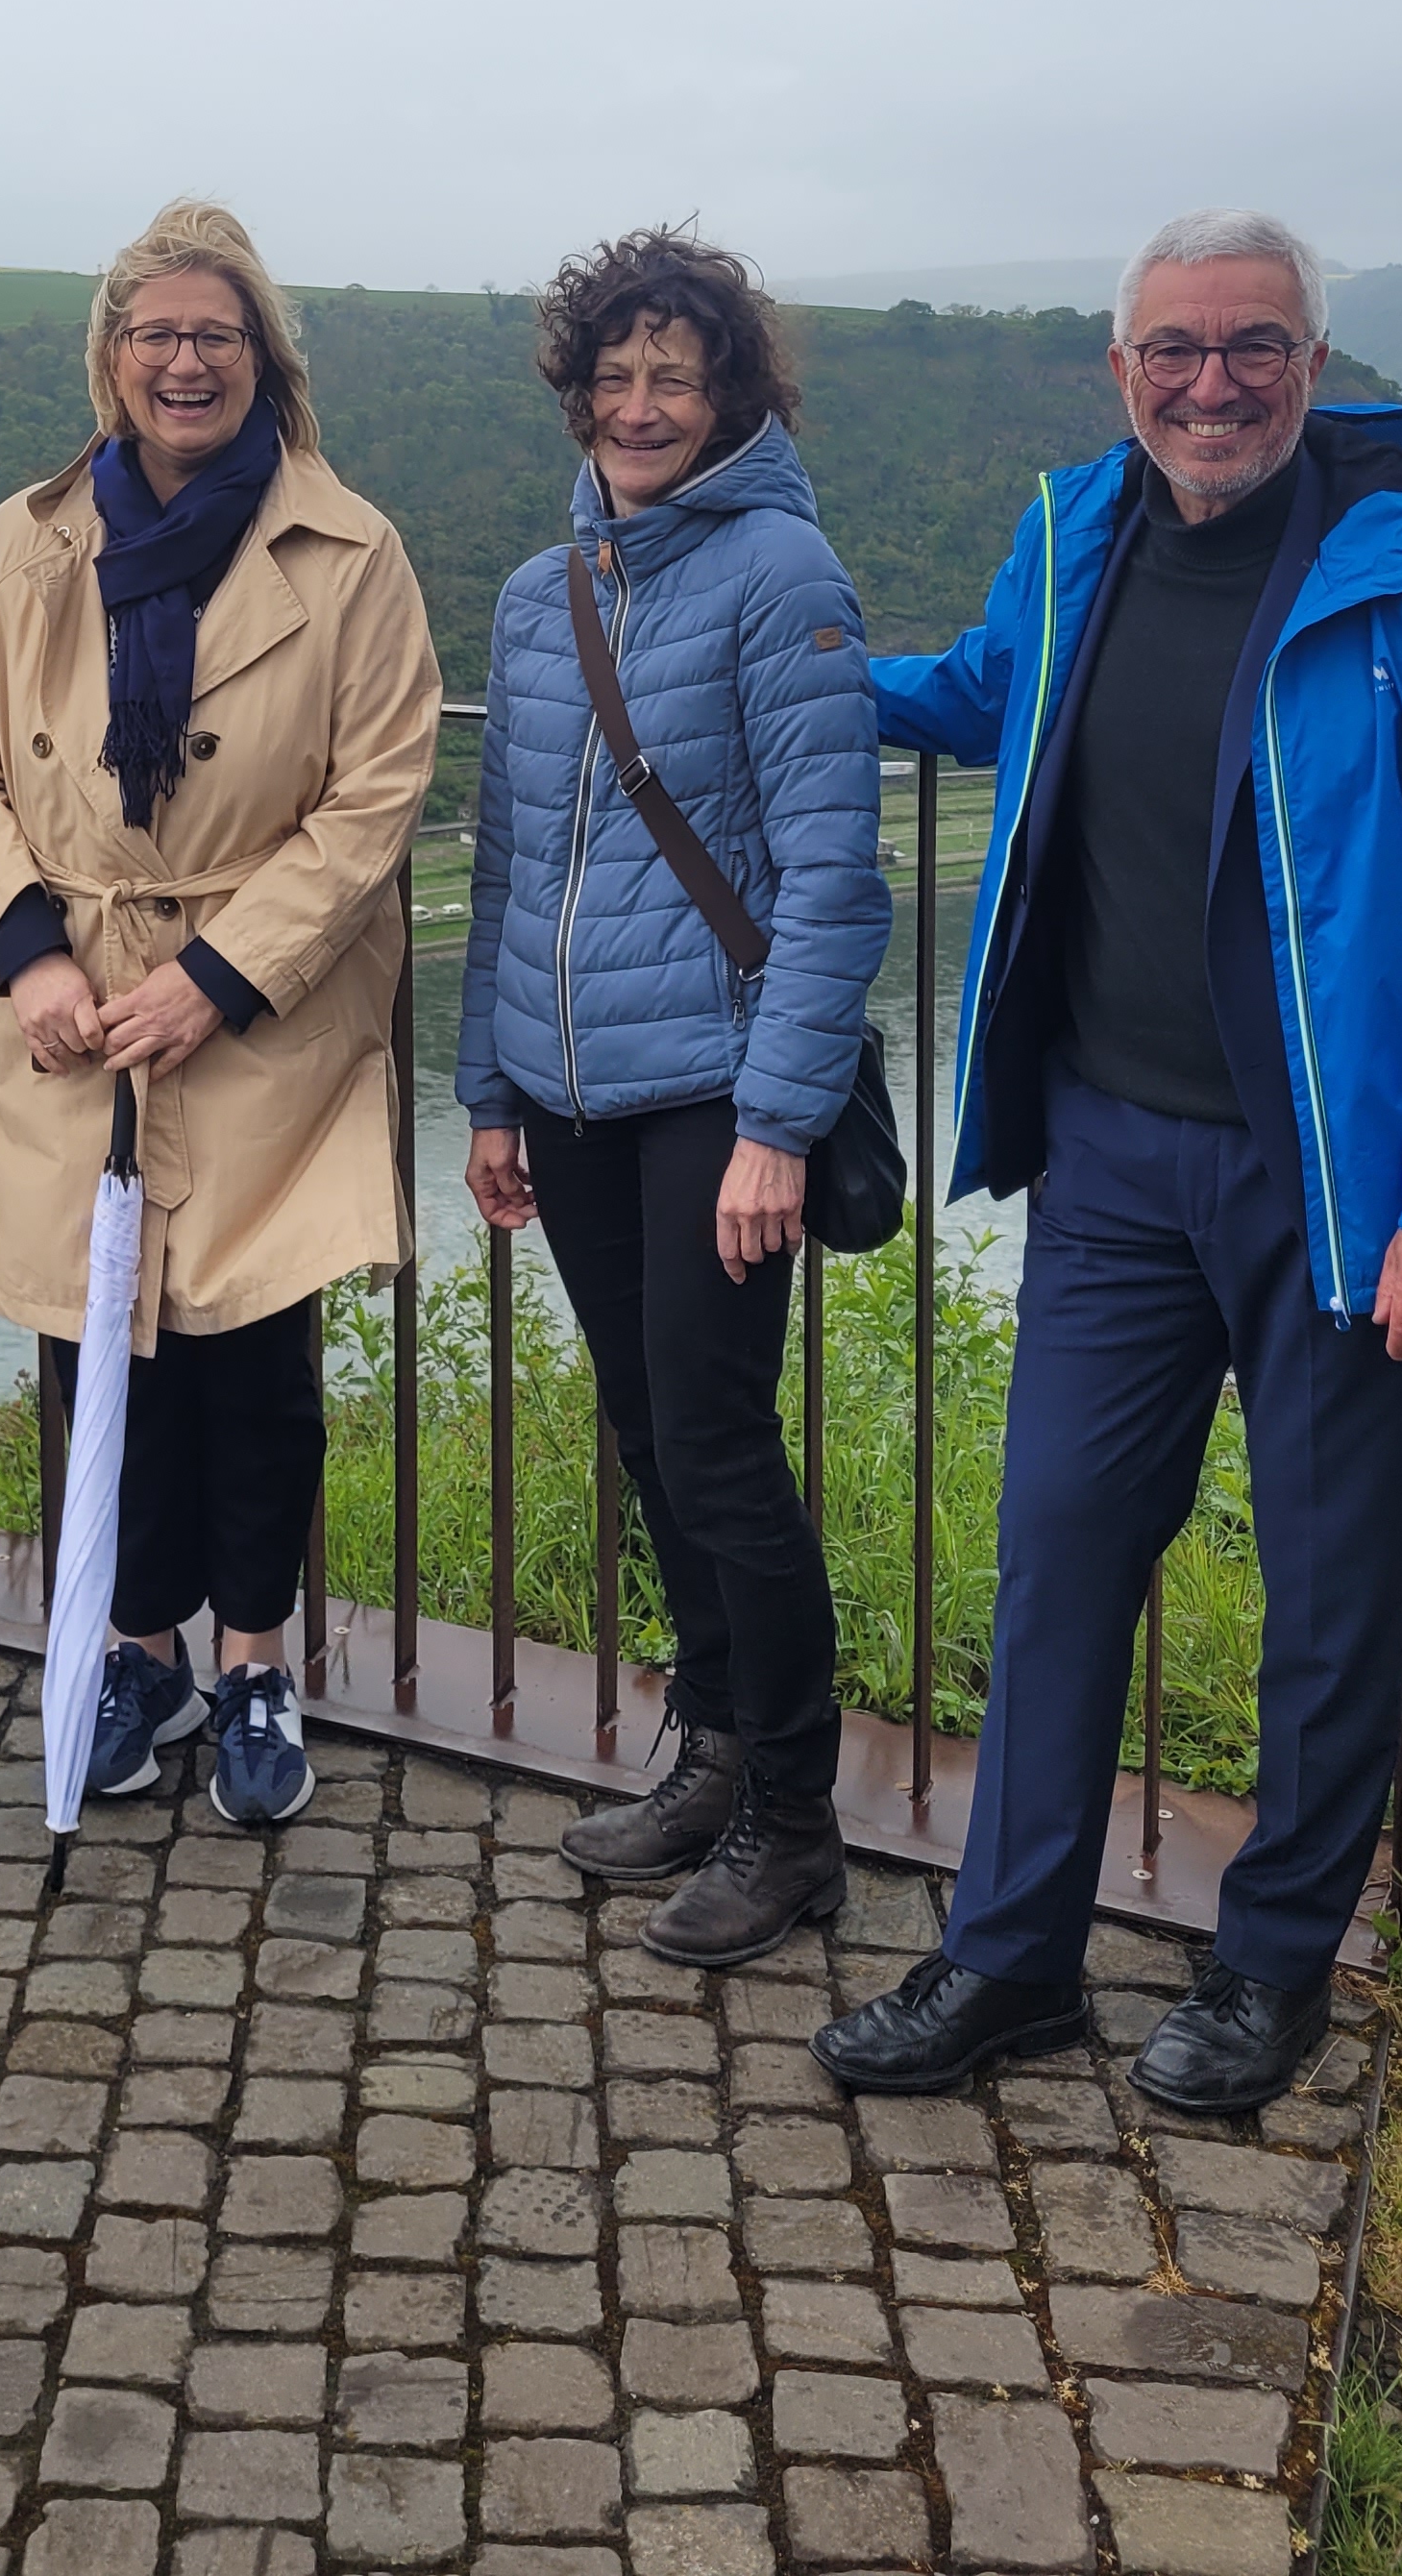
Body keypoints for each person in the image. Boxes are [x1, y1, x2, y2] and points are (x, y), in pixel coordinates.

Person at [817, 210, 1402, 2114]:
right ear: (1123, 371)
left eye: (1254, 346)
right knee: (1060, 1551)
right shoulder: (1075, 533)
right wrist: (802, 670)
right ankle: (1012, 1955)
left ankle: (1270, 1970)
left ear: (1314, 364)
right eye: (1173, 350)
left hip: (1346, 1182)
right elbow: (1000, 691)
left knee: (1331, 1589)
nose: (1212, 383)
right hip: (1110, 1153)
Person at [0, 201, 441, 1828]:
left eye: (216, 334)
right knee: (97, 1349)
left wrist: (216, 980)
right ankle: (140, 1652)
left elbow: (377, 796)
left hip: (268, 1009)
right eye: (156, 336)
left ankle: (258, 1661)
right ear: (113, 359)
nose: (186, 362)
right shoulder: (26, 543)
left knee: (257, 1353)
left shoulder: (352, 550)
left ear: (263, 355)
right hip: (68, 1005)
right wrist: (30, 957)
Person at [460, 231, 889, 1965]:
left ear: (731, 399)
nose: (639, 407)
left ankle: (796, 1823)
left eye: (675, 378)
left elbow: (835, 878)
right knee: (653, 1436)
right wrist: (488, 1090)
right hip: (570, 1092)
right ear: (578, 393)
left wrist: (777, 1126)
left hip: (716, 1087)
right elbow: (506, 862)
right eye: (613, 376)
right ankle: (711, 1760)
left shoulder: (784, 573)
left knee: (718, 1449)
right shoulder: (537, 594)